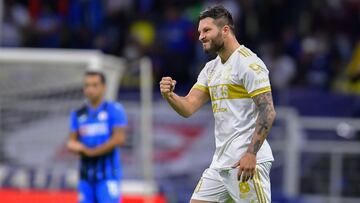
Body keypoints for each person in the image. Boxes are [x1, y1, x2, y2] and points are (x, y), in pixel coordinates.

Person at [159, 5, 276, 203]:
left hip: (245, 163)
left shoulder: (248, 63)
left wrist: (251, 155)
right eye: (199, 32)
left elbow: (268, 111)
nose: (200, 37)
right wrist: (170, 95)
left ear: (225, 30)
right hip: (220, 165)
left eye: (206, 30)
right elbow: (188, 106)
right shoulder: (211, 69)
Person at [67, 71, 127, 203]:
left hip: (108, 176)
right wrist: (74, 146)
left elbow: (119, 139)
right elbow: (71, 142)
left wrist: (90, 152)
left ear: (104, 87)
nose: (90, 89)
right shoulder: (77, 114)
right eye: (87, 85)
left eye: (95, 85)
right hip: (85, 177)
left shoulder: (114, 109)